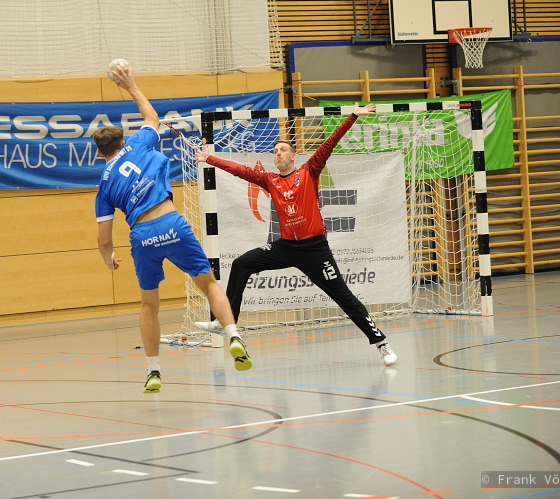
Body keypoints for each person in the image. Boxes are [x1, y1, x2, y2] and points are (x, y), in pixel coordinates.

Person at [194, 103, 398, 366]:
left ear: (293, 156)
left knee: (343, 297)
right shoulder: (270, 180)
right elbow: (241, 171)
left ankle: (381, 343)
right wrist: (210, 159)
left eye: (282, 150)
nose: (277, 153)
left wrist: (352, 117)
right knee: (241, 263)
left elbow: (329, 144)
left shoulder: (309, 171)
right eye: (275, 151)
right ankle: (227, 323)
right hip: (286, 247)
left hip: (315, 250)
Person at [94, 60, 252, 394]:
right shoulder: (139, 144)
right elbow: (151, 117)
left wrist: (109, 260)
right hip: (171, 224)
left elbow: (104, 239)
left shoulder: (104, 184)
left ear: (99, 152)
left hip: (142, 236)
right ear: (122, 141)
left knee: (149, 306)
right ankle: (234, 335)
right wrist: (130, 85)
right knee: (209, 284)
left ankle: (153, 371)